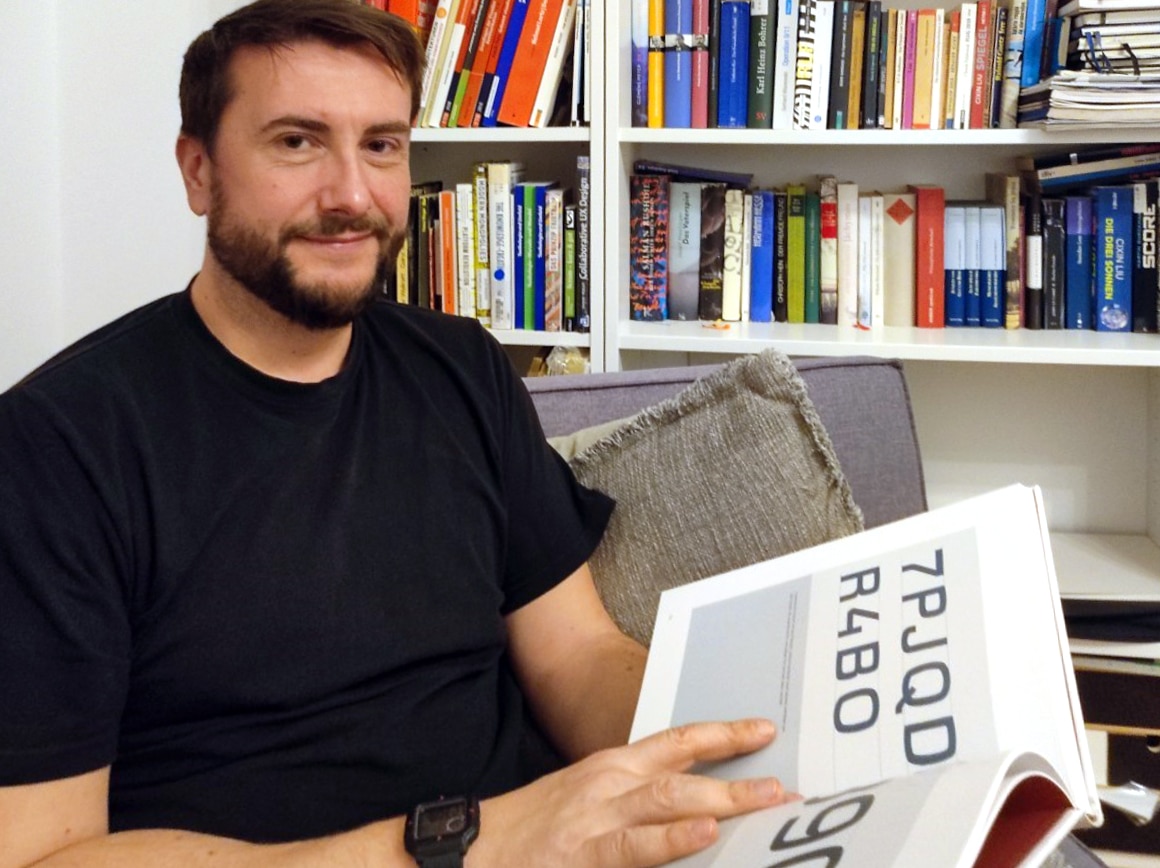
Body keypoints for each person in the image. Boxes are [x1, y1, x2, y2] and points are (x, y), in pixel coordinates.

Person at [0, 1, 790, 865]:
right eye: (297, 142)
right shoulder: (54, 448)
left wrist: (743, 749)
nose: (351, 196)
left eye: (381, 145)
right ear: (198, 171)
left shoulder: (464, 367)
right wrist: (463, 845)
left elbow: (579, 658)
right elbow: (42, 853)